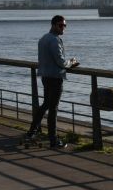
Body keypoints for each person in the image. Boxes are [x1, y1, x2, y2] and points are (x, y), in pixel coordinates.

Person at [26, 15, 78, 149]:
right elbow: (60, 62)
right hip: (55, 78)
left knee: (46, 105)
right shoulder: (54, 40)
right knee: (53, 109)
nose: (63, 28)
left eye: (64, 25)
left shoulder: (43, 38)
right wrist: (71, 63)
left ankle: (31, 132)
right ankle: (53, 140)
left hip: (45, 76)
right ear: (54, 25)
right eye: (61, 25)